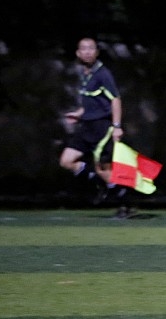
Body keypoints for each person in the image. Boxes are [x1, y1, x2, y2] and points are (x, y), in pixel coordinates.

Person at [59, 37, 131, 218]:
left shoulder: (103, 73)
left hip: (101, 127)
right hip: (86, 127)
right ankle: (97, 182)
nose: (87, 52)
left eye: (91, 48)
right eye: (83, 49)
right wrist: (79, 113)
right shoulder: (85, 74)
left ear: (97, 52)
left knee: (104, 169)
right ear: (78, 53)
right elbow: (94, 102)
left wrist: (117, 126)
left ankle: (124, 205)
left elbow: (115, 99)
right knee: (66, 161)